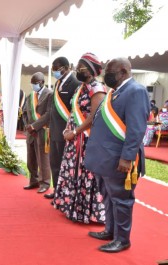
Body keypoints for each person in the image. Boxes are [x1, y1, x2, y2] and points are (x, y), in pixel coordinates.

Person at [85, 57, 150, 253]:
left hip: (119, 159)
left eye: (110, 72)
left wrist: (127, 157)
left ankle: (122, 239)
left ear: (123, 71)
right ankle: (110, 230)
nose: (106, 75)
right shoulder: (115, 92)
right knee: (108, 196)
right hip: (104, 159)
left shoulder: (135, 91)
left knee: (121, 200)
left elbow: (137, 129)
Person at [52, 53, 106, 224]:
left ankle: (87, 212)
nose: (77, 70)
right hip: (74, 139)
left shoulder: (97, 89)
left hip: (86, 140)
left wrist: (74, 132)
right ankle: (72, 207)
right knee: (73, 172)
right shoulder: (80, 88)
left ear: (90, 71)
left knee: (86, 174)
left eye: (81, 68)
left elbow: (93, 117)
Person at [44, 57, 81, 199]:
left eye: (56, 69)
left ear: (66, 68)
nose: (54, 72)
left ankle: (67, 192)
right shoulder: (57, 83)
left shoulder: (75, 83)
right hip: (54, 130)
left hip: (66, 131)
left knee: (65, 164)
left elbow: (75, 109)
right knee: (54, 162)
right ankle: (57, 190)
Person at [22, 72, 53, 193]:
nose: (33, 85)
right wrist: (27, 126)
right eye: (32, 83)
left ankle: (45, 182)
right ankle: (33, 180)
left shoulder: (49, 94)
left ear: (42, 82)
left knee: (43, 158)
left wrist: (34, 126)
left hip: (42, 130)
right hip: (30, 132)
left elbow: (49, 114)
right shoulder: (30, 96)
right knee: (31, 158)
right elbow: (24, 112)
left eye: (35, 83)